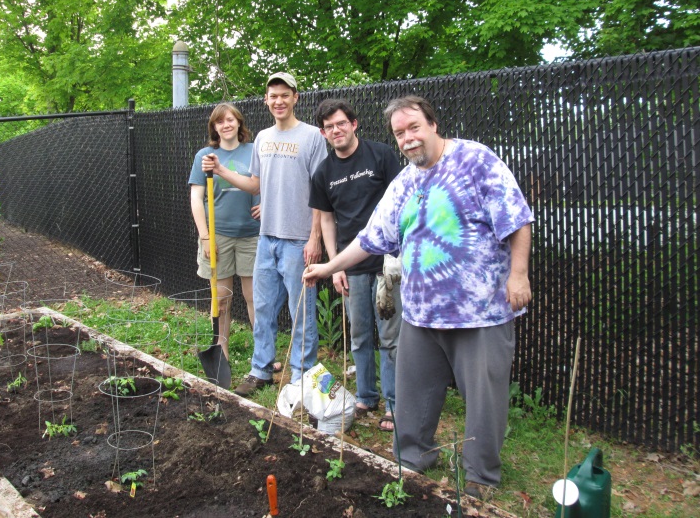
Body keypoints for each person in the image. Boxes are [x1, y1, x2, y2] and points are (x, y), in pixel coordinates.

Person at [303, 95, 533, 498]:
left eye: (414, 128)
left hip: (479, 312)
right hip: (422, 312)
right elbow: (371, 239)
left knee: (484, 399)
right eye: (399, 133)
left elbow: (516, 218)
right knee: (412, 396)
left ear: (432, 124)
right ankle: (412, 460)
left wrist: (518, 275)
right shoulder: (405, 182)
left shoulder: (475, 160)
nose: (408, 139)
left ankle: (480, 477)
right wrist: (330, 266)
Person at [203, 73, 327, 396]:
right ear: (266, 101)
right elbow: (255, 184)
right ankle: (261, 370)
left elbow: (321, 192)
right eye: (273, 96)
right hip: (266, 239)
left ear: (296, 98)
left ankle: (301, 376)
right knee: (263, 308)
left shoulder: (313, 137)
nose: (279, 101)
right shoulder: (262, 138)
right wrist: (221, 171)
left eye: (285, 95)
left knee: (302, 315)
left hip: (299, 240)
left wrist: (315, 238)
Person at [308, 98, 402, 432]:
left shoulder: (381, 156)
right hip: (351, 265)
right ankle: (366, 396)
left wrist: (399, 256)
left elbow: (402, 203)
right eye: (329, 127)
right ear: (323, 133)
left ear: (354, 124)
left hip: (387, 265)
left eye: (341, 124)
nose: (336, 131)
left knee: (391, 337)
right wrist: (335, 266)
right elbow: (328, 222)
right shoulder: (324, 172)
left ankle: (393, 404)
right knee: (360, 335)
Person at [189, 103, 260, 360]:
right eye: (220, 121)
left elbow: (270, 183)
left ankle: (262, 353)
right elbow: (196, 198)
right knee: (221, 299)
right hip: (218, 235)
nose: (226, 124)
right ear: (214, 127)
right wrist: (205, 236)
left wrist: (267, 203)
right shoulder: (205, 156)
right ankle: (221, 349)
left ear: (239, 123)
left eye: (231, 119)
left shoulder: (254, 151)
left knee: (254, 296)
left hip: (251, 234)